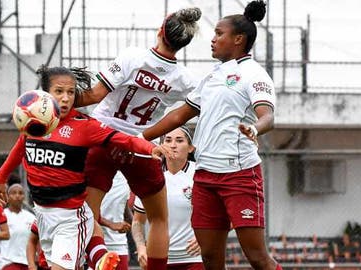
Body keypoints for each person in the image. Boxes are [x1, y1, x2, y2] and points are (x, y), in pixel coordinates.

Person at [140, 1, 282, 269]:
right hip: (205, 177)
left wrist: (255, 128)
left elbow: (268, 116)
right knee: (210, 258)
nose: (213, 39)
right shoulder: (212, 76)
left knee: (257, 257)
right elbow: (178, 116)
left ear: (238, 39)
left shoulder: (253, 74)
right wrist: (139, 136)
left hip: (239, 175)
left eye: (219, 33)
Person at [0, 65, 172, 270]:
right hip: (43, 215)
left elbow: (122, 139)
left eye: (71, 92)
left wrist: (150, 148)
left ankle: (99, 257)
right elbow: (18, 150)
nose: (66, 98)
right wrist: (0, 180)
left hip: (70, 218)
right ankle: (98, 257)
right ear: (46, 94)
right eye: (59, 91)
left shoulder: (84, 125)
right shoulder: (34, 123)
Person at [73, 7, 202, 270]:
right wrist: (141, 137)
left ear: (160, 30)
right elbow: (184, 114)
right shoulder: (186, 79)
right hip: (142, 148)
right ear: (184, 43)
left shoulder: (132, 56)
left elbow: (94, 95)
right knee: (158, 219)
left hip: (103, 137)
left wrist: (59, 97)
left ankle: (89, 262)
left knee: (87, 215)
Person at [132, 126, 203, 270]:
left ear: (191, 148)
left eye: (179, 140)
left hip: (194, 258)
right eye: (168, 140)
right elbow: (138, 221)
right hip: (158, 259)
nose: (173, 145)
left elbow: (223, 213)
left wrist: (206, 238)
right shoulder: (150, 175)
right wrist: (140, 247)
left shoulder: (200, 173)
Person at [0, 175, 36, 270]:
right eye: (13, 193)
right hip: (8, 263)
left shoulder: (31, 217)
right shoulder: (1, 215)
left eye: (20, 193)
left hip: (27, 263)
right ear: (8, 196)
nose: (17, 196)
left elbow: (36, 241)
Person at [99, 172, 132, 270]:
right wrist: (111, 225)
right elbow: (89, 211)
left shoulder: (125, 177)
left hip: (119, 244)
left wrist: (140, 238)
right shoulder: (96, 173)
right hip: (96, 244)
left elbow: (124, 207)